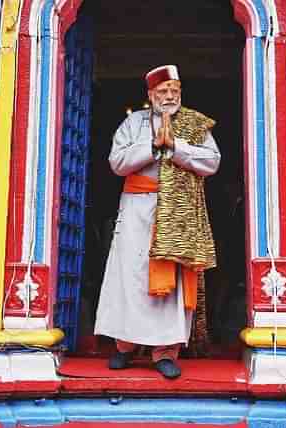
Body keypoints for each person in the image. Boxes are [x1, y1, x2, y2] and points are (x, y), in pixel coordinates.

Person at [94, 65, 221, 379]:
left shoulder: (195, 123)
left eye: (174, 91)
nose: (169, 96)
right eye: (163, 92)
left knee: (171, 283)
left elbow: (212, 162)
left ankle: (165, 352)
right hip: (137, 211)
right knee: (130, 279)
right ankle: (124, 347)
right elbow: (117, 163)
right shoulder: (133, 123)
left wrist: (175, 147)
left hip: (179, 216)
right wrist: (152, 146)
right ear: (150, 95)